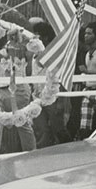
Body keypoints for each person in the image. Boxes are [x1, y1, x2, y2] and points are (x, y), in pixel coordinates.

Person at [30, 19, 71, 148]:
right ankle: (42, 155)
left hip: (53, 97)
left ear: (45, 37)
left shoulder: (56, 54)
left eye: (37, 36)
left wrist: (61, 101)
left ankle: (67, 151)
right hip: (37, 97)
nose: (34, 39)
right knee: (41, 130)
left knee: (58, 128)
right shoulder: (33, 55)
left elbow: (62, 77)